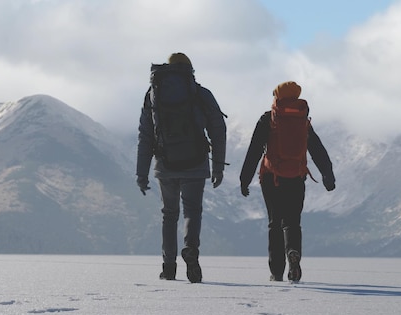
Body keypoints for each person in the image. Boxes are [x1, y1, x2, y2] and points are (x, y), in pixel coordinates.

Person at [136, 53, 227, 283]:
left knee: (169, 215)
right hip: (195, 164)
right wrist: (218, 166)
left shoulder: (153, 95)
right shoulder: (200, 93)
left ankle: (168, 267)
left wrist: (142, 172)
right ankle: (191, 251)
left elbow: (145, 135)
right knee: (192, 211)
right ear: (189, 70)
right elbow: (218, 129)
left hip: (165, 165)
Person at [239, 81, 335, 282]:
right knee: (292, 222)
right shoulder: (302, 120)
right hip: (297, 177)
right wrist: (327, 174)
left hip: (271, 178)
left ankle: (276, 272)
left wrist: (245, 179)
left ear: (277, 96)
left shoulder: (269, 119)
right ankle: (293, 252)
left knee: (275, 224)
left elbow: (255, 150)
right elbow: (317, 149)